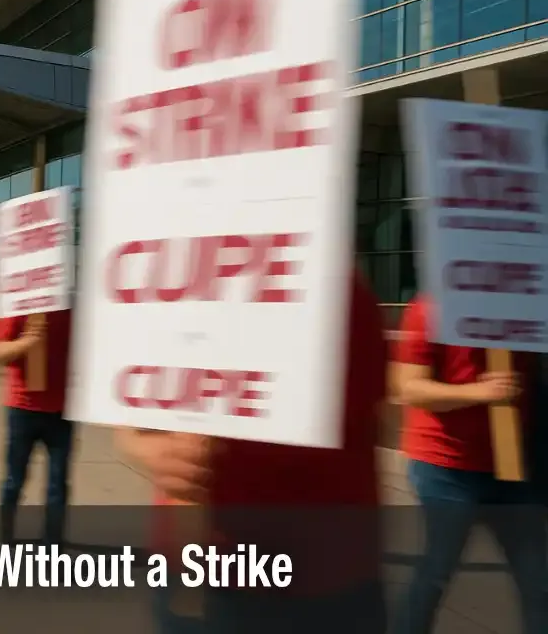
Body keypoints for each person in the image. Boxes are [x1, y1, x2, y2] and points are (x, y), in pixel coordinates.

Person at [120, 270, 390, 634]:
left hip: (322, 581)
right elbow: (124, 400)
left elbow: (369, 417)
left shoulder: (336, 284)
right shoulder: (169, 281)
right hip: (197, 567)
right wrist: (147, 445)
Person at [389, 293, 545, 634]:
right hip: (445, 467)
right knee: (435, 573)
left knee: (538, 580)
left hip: (513, 468)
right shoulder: (430, 308)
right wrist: (480, 393)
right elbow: (409, 388)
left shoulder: (525, 305)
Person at [0, 310, 74, 545]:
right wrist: (28, 341)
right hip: (22, 408)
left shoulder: (71, 306)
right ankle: (5, 540)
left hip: (62, 410)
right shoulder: (17, 304)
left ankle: (53, 547)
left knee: (58, 487)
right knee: (14, 481)